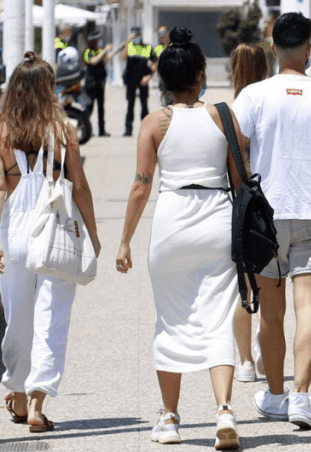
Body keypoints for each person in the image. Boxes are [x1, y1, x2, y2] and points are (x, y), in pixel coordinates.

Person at [115, 27, 243, 450]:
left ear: (164, 81)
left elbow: (140, 185)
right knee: (219, 317)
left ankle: (169, 419)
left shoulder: (154, 123)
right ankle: (224, 409)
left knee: (171, 319)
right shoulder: (223, 116)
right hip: (216, 219)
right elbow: (240, 181)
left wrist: (125, 240)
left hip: (172, 222)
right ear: (200, 74)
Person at [232, 12, 311, 430]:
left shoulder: (252, 95)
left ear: (272, 48)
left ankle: (276, 395)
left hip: (266, 215)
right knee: (309, 308)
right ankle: (302, 397)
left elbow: (235, 150)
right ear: (309, 48)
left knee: (270, 312)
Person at [0, 51, 102, 433]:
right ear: (48, 88)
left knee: (17, 317)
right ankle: (36, 403)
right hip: (53, 228)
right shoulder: (63, 130)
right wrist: (93, 234)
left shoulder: (0, 132)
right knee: (53, 315)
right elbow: (80, 186)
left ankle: (17, 395)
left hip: (15, 229)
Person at [227, 42, 271, 384]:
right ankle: (266, 344)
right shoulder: (272, 103)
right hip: (273, 200)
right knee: (272, 281)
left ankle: (244, 361)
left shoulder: (229, 112)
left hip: (241, 202)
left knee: (242, 282)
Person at [121, 26, 158, 137]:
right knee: (130, 105)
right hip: (130, 80)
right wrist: (128, 41)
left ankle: (146, 130)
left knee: (144, 105)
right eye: (134, 36)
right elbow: (122, 58)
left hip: (143, 79)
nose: (136, 38)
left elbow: (154, 62)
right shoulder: (129, 46)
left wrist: (148, 77)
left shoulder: (147, 47)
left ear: (141, 35)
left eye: (137, 35)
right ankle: (128, 130)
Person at [83, 30, 119, 137]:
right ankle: (85, 128)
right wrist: (104, 51)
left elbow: (106, 59)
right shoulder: (87, 51)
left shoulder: (98, 50)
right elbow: (93, 61)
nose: (99, 41)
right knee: (89, 107)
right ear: (93, 41)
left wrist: (117, 50)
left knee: (101, 108)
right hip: (91, 84)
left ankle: (102, 130)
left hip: (100, 83)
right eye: (97, 39)